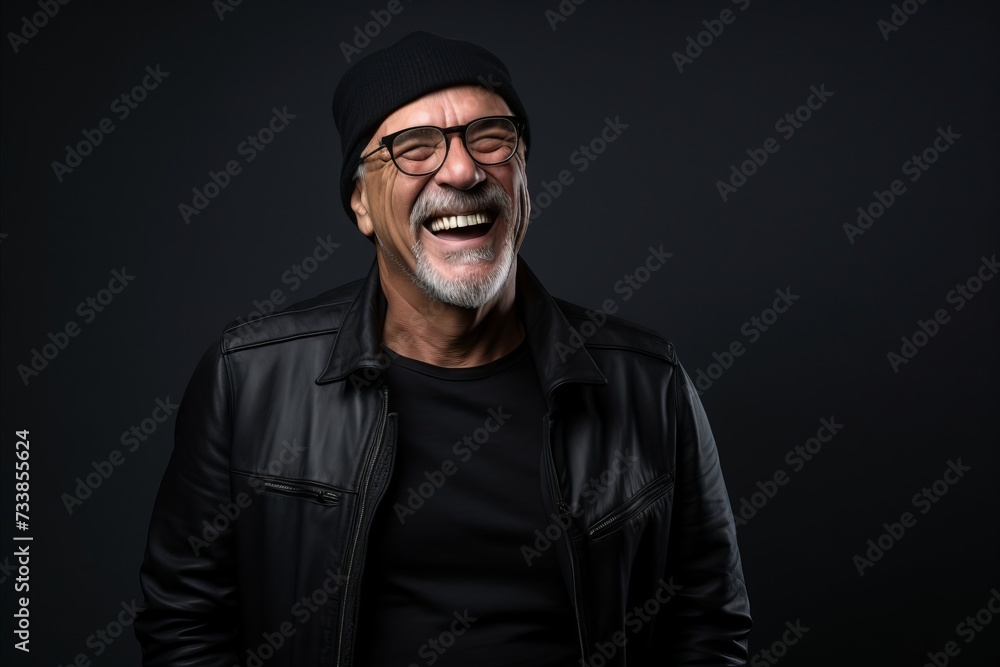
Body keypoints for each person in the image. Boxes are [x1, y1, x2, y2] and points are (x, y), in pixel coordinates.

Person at [135, 30, 751, 666]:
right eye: (413, 149)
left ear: (523, 179)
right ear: (360, 204)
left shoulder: (647, 383)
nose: (461, 170)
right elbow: (185, 625)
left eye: (490, 138)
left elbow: (706, 625)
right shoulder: (250, 380)